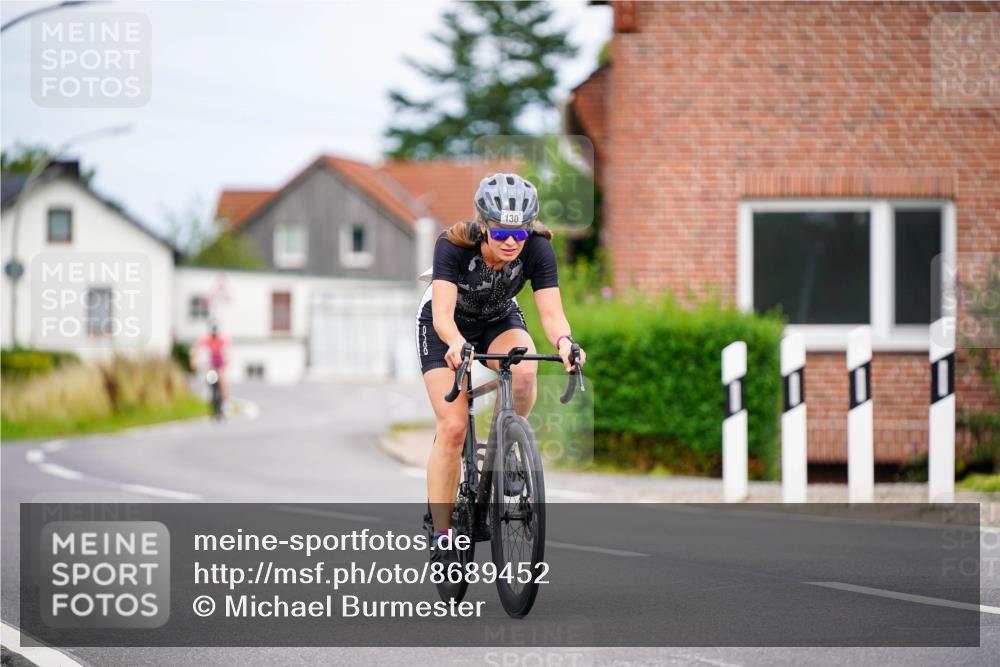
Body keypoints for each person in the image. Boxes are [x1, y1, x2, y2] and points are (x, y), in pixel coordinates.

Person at [415, 173, 586, 564]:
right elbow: (442, 315)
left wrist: (565, 343)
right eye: (501, 233)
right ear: (483, 225)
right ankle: (442, 533)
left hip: (497, 318)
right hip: (445, 326)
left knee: (525, 369)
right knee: (454, 427)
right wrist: (457, 343)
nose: (512, 242)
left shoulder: (538, 249)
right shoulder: (454, 244)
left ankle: (506, 443)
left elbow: (552, 314)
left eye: (520, 234)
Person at [190, 322, 229, 403]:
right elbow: (196, 349)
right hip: (210, 361)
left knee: (222, 380)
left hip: (220, 361)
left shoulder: (222, 339)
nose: (214, 336)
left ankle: (225, 402)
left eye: (215, 335)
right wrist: (193, 360)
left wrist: (227, 361)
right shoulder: (205, 338)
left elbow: (227, 352)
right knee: (208, 375)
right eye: (212, 335)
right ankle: (208, 392)